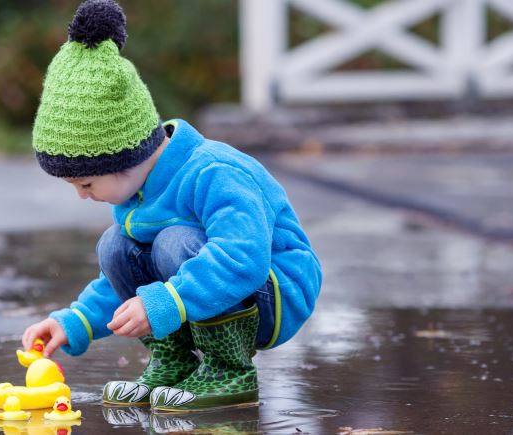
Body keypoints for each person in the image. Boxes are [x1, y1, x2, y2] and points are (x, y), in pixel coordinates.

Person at [21, 0, 321, 412]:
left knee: (174, 242)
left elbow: (243, 256)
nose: (82, 195)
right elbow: (122, 283)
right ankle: (174, 362)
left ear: (123, 158)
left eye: (86, 182)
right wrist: (73, 322)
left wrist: (165, 302)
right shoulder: (136, 192)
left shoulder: (213, 172)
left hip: (273, 292)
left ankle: (229, 368)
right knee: (116, 246)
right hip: (205, 289)